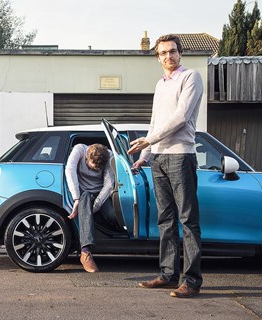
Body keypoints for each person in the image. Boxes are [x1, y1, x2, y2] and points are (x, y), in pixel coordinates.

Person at [127, 34, 203, 298]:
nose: (168, 56)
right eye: (163, 53)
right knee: (165, 220)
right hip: (158, 158)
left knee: (188, 220)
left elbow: (181, 117)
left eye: (172, 52)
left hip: (181, 156)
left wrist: (148, 139)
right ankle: (168, 275)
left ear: (180, 53)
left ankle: (191, 281)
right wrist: (145, 154)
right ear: (157, 57)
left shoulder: (190, 77)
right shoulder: (160, 84)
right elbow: (156, 121)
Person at [65, 143, 115, 273]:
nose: (95, 169)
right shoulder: (79, 150)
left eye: (98, 168)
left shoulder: (109, 156)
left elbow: (109, 184)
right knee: (85, 196)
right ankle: (85, 251)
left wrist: (94, 208)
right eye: (92, 166)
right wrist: (76, 198)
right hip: (83, 193)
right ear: (87, 157)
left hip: (101, 194)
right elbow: (69, 169)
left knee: (112, 215)